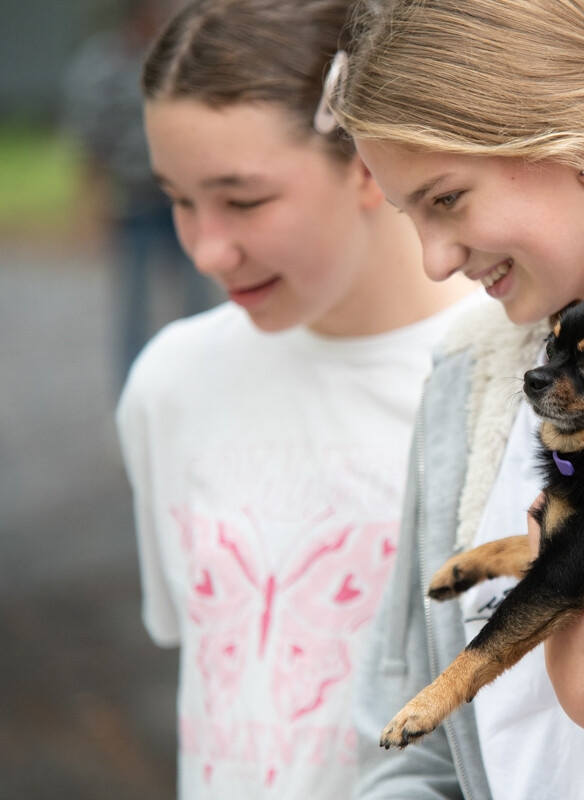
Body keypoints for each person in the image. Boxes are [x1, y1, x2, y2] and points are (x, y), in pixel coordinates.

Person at [331, 0, 584, 797]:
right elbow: (410, 750)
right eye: (409, 216)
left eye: (448, 199)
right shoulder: (468, 370)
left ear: (578, 150)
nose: (434, 260)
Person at [115, 0, 478, 796]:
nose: (209, 248)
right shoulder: (170, 384)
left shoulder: (499, 378)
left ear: (364, 163)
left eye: (243, 200)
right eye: (178, 198)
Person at [60, 0, 216, 387]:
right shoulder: (103, 65)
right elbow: (90, 141)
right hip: (135, 203)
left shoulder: (184, 56)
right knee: (134, 309)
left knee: (200, 304)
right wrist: (92, 206)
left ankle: (201, 383)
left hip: (187, 201)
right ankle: (132, 391)